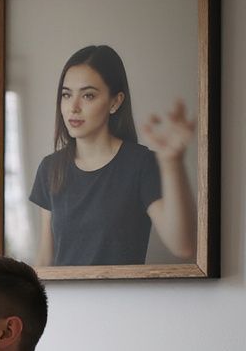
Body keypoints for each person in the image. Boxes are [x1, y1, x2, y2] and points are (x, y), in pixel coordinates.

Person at [29, 44, 196, 266]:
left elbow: (182, 245)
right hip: (66, 300)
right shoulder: (50, 168)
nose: (73, 107)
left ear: (115, 102)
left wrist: (172, 163)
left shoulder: (141, 164)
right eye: (66, 95)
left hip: (123, 300)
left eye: (88, 96)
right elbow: (45, 258)